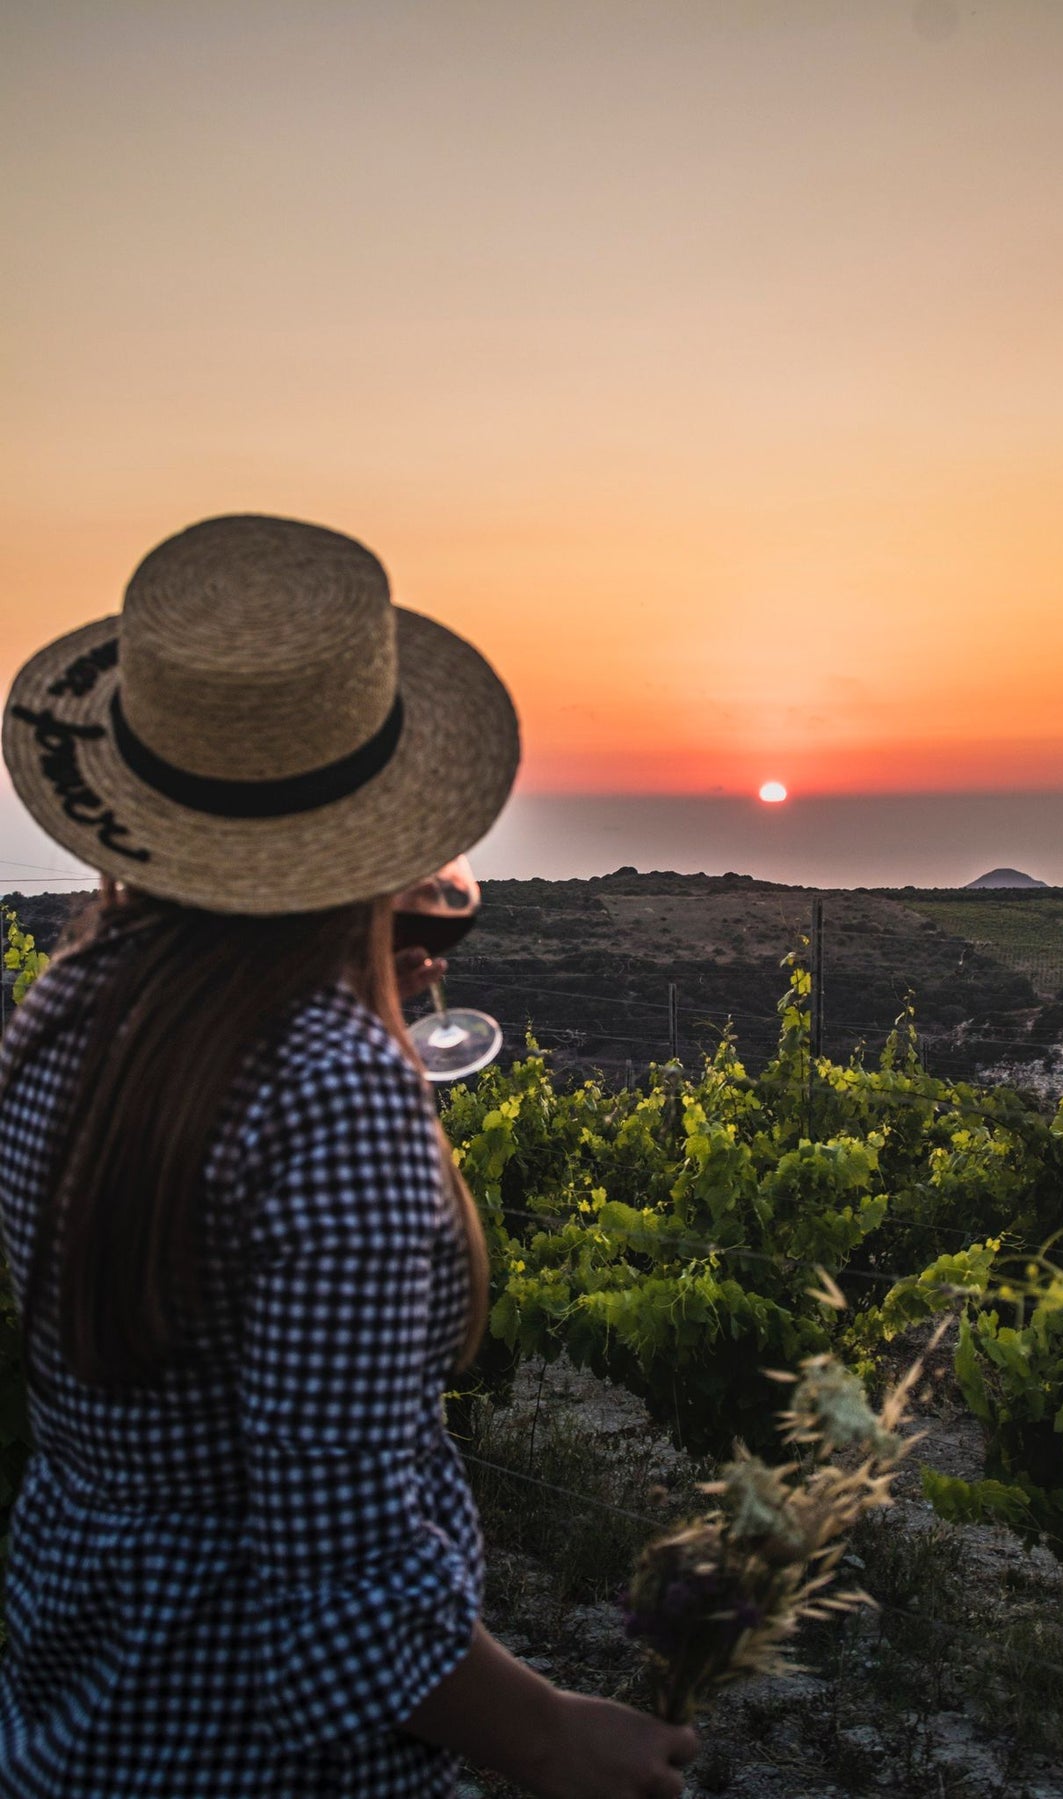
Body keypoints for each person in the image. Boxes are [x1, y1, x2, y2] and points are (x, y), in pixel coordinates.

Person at [0, 515, 697, 1797]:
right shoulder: (336, 1094)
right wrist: (550, 1736)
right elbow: (339, 1595)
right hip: (268, 1761)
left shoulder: (69, 1005)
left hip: (85, 1710)